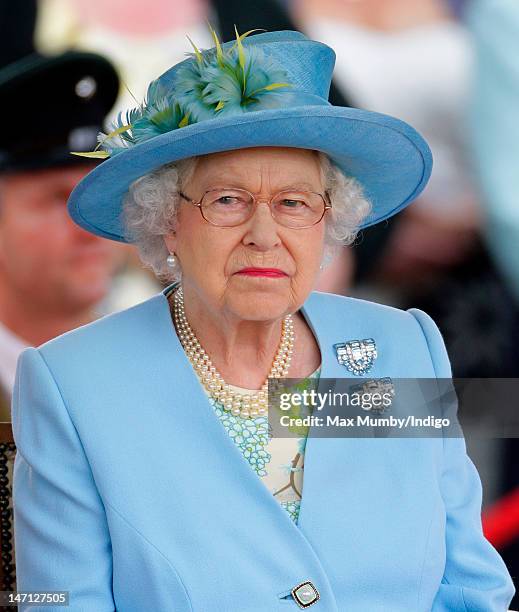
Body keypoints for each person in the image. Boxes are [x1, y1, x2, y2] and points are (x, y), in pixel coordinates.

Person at [11, 29, 515, 611]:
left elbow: (470, 588)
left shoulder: (400, 346)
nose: (264, 235)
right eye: (227, 200)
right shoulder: (76, 386)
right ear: (167, 220)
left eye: (294, 203)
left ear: (329, 220)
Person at [0, 48, 122, 420]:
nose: (89, 228)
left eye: (99, 195)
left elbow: (296, 471)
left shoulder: (167, 351)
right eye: (57, 200)